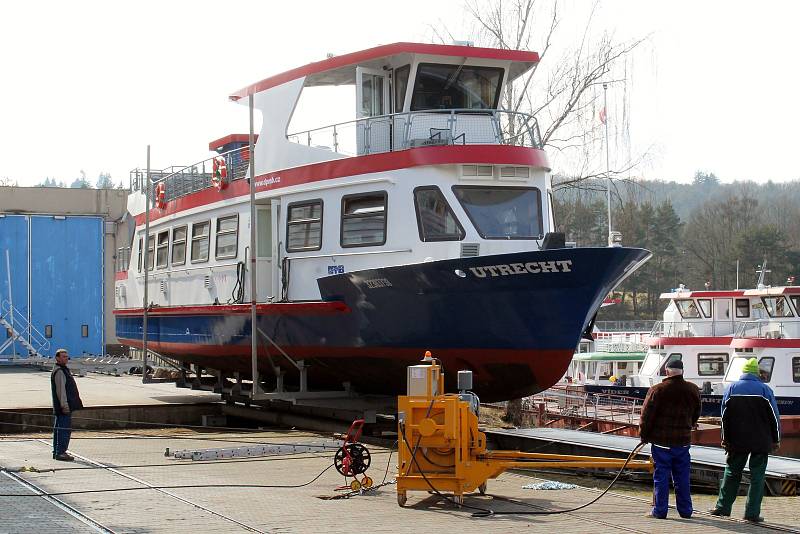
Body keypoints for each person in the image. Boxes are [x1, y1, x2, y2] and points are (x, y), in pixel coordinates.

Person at [709, 357, 780, 523]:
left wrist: (724, 439)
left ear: (743, 372)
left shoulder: (731, 388)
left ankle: (722, 508)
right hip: (761, 441)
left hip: (736, 441)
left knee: (732, 473)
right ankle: (752, 513)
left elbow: (724, 417)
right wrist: (776, 440)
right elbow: (774, 419)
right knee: (757, 477)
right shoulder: (765, 390)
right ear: (757, 372)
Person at [639, 359, 701, 519]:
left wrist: (644, 435)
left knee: (661, 476)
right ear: (682, 371)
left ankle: (660, 511)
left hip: (661, 442)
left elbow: (646, 416)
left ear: (666, 371)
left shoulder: (657, 390)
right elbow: (697, 413)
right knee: (682, 477)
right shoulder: (693, 390)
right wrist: (689, 425)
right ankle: (686, 511)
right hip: (683, 442)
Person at [51, 348, 83, 461]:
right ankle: (60, 452)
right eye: (63, 356)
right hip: (64, 407)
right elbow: (61, 391)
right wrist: (65, 406)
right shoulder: (59, 371)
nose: (66, 358)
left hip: (62, 406)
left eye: (66, 356)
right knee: (63, 430)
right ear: (57, 358)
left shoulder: (63, 370)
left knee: (59, 429)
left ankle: (57, 451)